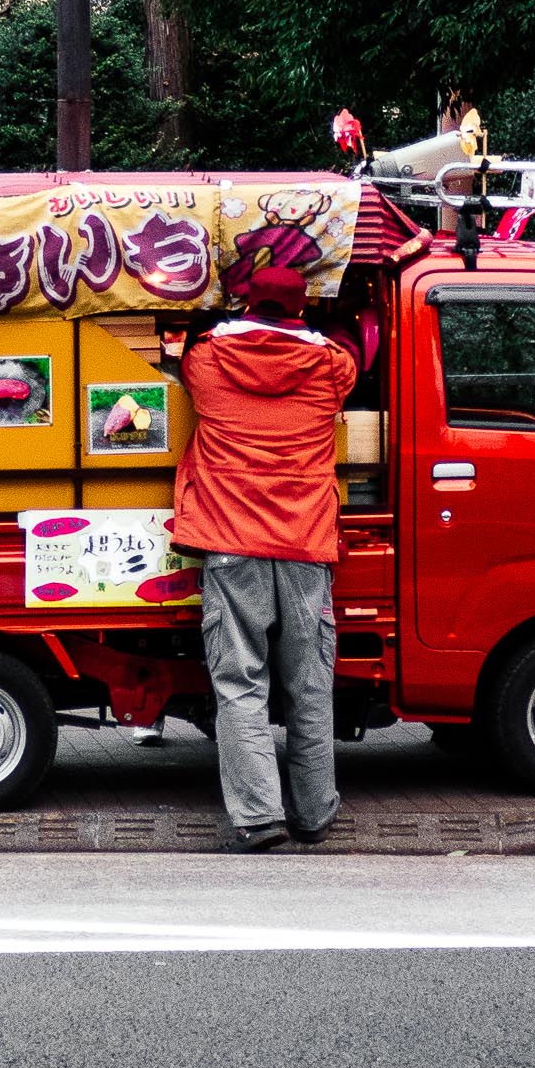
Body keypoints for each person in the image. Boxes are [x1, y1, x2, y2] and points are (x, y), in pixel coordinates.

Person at [172, 264, 360, 851]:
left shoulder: (205, 360)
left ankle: (258, 817)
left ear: (246, 303)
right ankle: (313, 812)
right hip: (306, 543)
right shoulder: (331, 365)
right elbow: (367, 338)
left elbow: (189, 337)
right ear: (303, 308)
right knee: (309, 684)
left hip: (230, 543)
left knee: (239, 684)